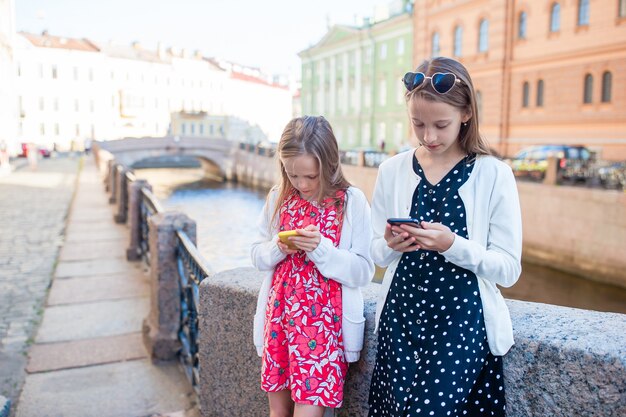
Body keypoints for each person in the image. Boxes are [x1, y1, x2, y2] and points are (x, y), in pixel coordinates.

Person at [367, 57, 522, 416]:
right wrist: (391, 244)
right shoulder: (392, 170)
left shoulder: (494, 174)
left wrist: (454, 245)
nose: (429, 136)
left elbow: (509, 268)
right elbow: (375, 251)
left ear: (466, 113)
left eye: (441, 124)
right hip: (400, 318)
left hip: (461, 323)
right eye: (417, 124)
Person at [251, 115, 374, 417]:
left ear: (330, 165)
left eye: (311, 176)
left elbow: (363, 270)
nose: (302, 185)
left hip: (322, 333)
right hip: (279, 322)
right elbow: (256, 255)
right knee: (278, 414)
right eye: (294, 175)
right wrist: (278, 248)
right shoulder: (279, 197)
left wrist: (322, 250)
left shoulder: (351, 201)